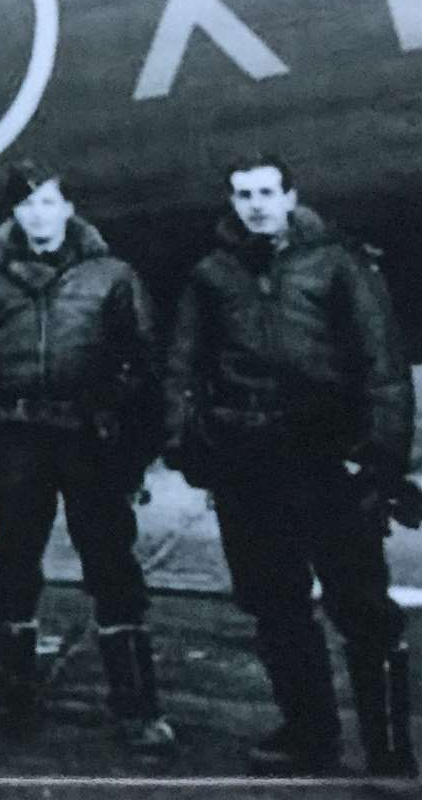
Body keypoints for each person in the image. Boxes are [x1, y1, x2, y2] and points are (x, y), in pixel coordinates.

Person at [163, 154, 417, 777]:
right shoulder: (213, 275)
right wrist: (189, 448)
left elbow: (383, 370)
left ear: (290, 196)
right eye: (243, 194)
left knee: (363, 608)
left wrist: (380, 464)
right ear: (232, 202)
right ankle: (311, 734)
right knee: (274, 605)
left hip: (328, 461)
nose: (256, 204)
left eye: (267, 192)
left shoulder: (339, 264)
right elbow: (181, 367)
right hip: (248, 466)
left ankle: (389, 749)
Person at [0, 160, 174, 749]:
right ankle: (6, 694)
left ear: (69, 209)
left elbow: (147, 365)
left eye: (48, 202)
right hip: (16, 442)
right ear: (13, 213)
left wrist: (133, 451)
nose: (38, 214)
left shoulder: (112, 276)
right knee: (11, 563)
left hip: (90, 443)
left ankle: (137, 706)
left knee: (112, 564)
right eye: (26, 204)